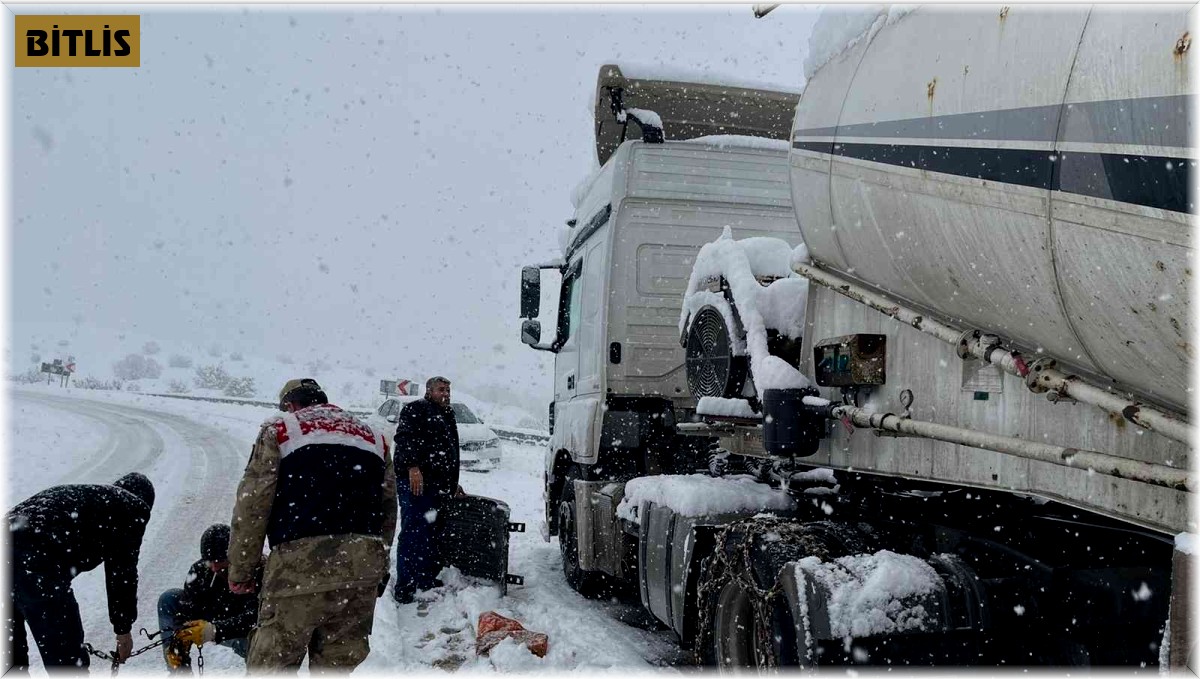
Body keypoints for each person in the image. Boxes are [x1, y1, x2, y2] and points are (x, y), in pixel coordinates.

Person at [227, 378, 397, 672]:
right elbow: (388, 509)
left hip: (298, 571)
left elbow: (253, 506)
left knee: (272, 665)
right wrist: (378, 565)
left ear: (290, 405)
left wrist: (242, 570)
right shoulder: (375, 438)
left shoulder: (281, 431)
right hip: (359, 573)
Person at [5, 472, 155, 673]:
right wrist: (123, 630)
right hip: (37, 563)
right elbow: (122, 574)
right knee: (66, 663)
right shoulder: (131, 508)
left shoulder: (96, 498)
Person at [392, 375, 466, 605]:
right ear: (428, 391)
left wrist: (453, 483)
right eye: (441, 389)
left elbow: (449, 450)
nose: (445, 394)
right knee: (413, 530)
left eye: (448, 390)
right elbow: (404, 439)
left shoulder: (447, 413)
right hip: (416, 482)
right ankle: (405, 586)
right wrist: (413, 467)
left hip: (437, 484)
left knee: (432, 532)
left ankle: (425, 578)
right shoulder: (416, 409)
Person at [157, 524, 260, 671]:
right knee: (169, 599)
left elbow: (255, 618)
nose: (214, 567)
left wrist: (215, 630)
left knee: (261, 645)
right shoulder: (200, 571)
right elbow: (188, 608)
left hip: (241, 631)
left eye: (219, 561)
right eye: (209, 561)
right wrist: (179, 638)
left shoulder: (253, 570)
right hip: (213, 619)